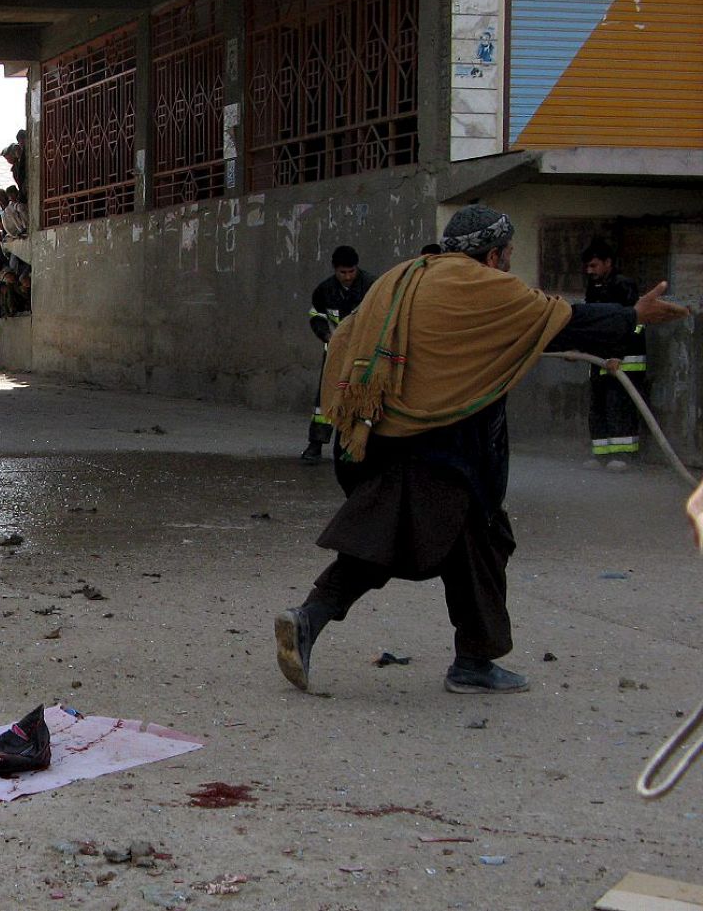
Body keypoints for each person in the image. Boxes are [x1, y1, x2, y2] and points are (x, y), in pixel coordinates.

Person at [274, 204, 690, 696]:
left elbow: (346, 340)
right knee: (392, 546)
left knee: (467, 545)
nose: (510, 261)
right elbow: (562, 320)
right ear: (492, 254)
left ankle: (470, 658)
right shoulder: (483, 286)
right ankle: (319, 620)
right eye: (509, 252)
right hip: (445, 448)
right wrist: (633, 316)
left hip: (385, 434)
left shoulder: (404, 275)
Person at [302, 246, 376, 465]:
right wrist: (326, 335)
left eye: (351, 272)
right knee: (326, 399)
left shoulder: (372, 286)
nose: (347, 277)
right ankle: (316, 444)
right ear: (335, 270)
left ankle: (355, 446)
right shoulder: (324, 290)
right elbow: (316, 315)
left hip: (364, 354)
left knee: (361, 397)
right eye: (343, 272)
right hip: (335, 353)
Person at [582, 239, 646, 471]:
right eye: (588, 267)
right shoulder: (594, 288)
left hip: (625, 362)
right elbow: (591, 322)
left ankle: (623, 456)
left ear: (608, 263)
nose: (590, 271)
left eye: (594, 266)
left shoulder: (623, 286)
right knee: (598, 407)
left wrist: (618, 354)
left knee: (619, 407)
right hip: (600, 359)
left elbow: (631, 323)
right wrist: (580, 349)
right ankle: (601, 455)